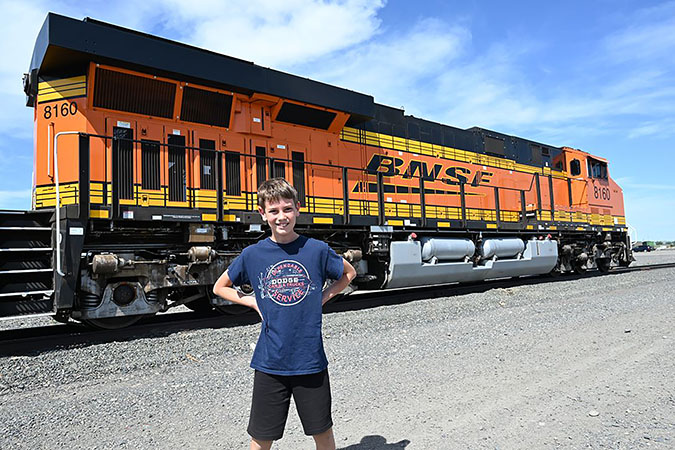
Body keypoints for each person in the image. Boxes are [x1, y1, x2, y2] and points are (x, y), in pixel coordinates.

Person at [213, 178, 356, 450]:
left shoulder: (316, 250)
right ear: (263, 214)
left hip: (310, 360)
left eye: (287, 209)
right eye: (274, 211)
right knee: (261, 437)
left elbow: (349, 273)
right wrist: (253, 301)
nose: (282, 217)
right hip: (270, 362)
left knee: (322, 432)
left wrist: (324, 296)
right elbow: (221, 287)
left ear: (298, 209)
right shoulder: (253, 254)